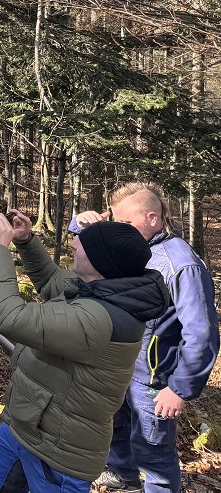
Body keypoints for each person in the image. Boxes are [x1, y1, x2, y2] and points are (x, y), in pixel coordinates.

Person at [0, 211, 170, 493]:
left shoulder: (99, 319)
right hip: (25, 425)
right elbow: (51, 281)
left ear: (101, 262)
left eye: (83, 243)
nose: (73, 244)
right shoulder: (102, 288)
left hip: (57, 453)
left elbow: (10, 318)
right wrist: (27, 241)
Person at [71, 184, 218, 493]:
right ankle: (123, 476)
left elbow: (202, 334)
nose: (117, 228)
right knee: (116, 427)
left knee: (153, 452)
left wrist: (179, 388)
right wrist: (79, 225)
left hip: (154, 379)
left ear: (152, 218)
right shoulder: (134, 247)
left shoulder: (182, 264)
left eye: (124, 223)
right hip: (120, 364)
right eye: (115, 221)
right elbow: (90, 258)